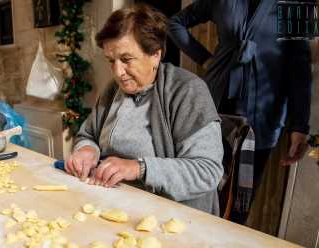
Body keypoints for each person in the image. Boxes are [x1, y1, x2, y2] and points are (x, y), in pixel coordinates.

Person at [65, 4, 224, 215]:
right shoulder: (113, 90)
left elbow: (207, 171)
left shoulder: (187, 91)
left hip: (169, 215)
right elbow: (88, 134)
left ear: (155, 54)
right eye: (111, 61)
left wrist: (139, 168)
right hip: (109, 203)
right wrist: (87, 150)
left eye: (126, 59)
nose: (118, 72)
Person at [168, 0, 312, 195]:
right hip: (213, 106)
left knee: (239, 201)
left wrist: (299, 126)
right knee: (197, 190)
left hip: (263, 117)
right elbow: (174, 23)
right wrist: (205, 59)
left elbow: (301, 69)